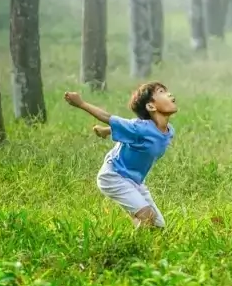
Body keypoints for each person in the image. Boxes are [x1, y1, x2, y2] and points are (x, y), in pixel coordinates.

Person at [64, 82, 178, 228]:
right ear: (151, 106)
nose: (168, 94)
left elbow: (130, 130)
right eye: (162, 92)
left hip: (135, 182)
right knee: (147, 216)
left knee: (158, 226)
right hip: (114, 175)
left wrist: (106, 131)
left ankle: (140, 235)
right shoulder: (140, 128)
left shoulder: (169, 131)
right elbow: (108, 117)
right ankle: (131, 247)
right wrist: (81, 103)